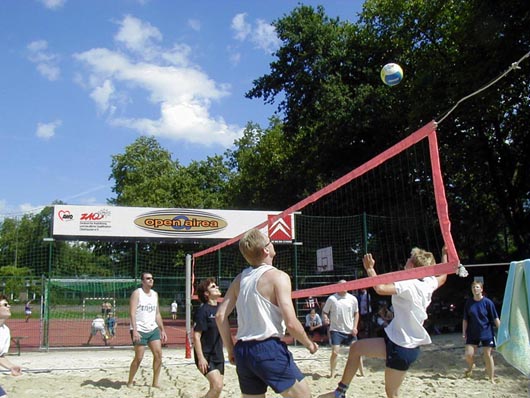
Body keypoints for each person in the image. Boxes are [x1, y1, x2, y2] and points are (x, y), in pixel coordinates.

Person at [320, 248, 448, 398]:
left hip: (403, 347)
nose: (406, 260)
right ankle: (340, 393)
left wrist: (370, 269)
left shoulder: (409, 284)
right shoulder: (428, 282)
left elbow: (379, 288)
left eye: (409, 258)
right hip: (396, 339)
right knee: (356, 348)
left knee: (392, 394)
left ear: (412, 266)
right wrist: (445, 253)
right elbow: (443, 276)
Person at [216, 228, 318, 397]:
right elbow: (291, 323)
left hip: (243, 351)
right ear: (266, 250)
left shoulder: (239, 279)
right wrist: (309, 344)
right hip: (268, 348)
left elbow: (220, 316)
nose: (272, 244)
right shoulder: (278, 277)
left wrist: (231, 350)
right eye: (270, 241)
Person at [127, 272, 167, 389]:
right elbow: (132, 313)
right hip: (139, 329)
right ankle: (130, 381)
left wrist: (162, 330)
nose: (151, 280)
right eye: (148, 278)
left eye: (152, 278)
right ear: (142, 281)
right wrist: (135, 330)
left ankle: (155, 382)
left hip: (152, 328)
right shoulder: (137, 293)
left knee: (158, 354)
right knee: (139, 357)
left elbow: (157, 313)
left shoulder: (155, 294)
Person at [322, 280, 363, 378]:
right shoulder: (332, 299)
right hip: (336, 329)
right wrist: (325, 318)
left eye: (346, 285)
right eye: (342, 285)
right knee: (335, 352)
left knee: (357, 352)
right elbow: (324, 311)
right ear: (338, 286)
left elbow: (356, 313)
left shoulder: (353, 299)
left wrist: (355, 327)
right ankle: (332, 373)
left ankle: (362, 373)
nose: (345, 287)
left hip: (349, 330)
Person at [462, 280, 501, 382]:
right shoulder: (469, 303)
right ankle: (471, 367)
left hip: (486, 332)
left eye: (477, 287)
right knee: (468, 354)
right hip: (472, 332)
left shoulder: (488, 303)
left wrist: (501, 331)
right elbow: (465, 319)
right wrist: (463, 332)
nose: (475, 289)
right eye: (473, 287)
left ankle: (491, 378)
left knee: (487, 354)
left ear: (481, 289)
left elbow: (495, 318)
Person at [193, 278, 224, 398]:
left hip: (218, 355)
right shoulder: (203, 311)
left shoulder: (221, 309)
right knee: (217, 386)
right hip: (206, 355)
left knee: (216, 389)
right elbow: (196, 336)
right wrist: (201, 358)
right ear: (206, 293)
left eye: (216, 286)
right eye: (213, 287)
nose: (216, 287)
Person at [0, 295, 22, 397]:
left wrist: (11, 367)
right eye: (5, 304)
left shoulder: (5, 330)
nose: (9, 306)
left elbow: (0, 356)